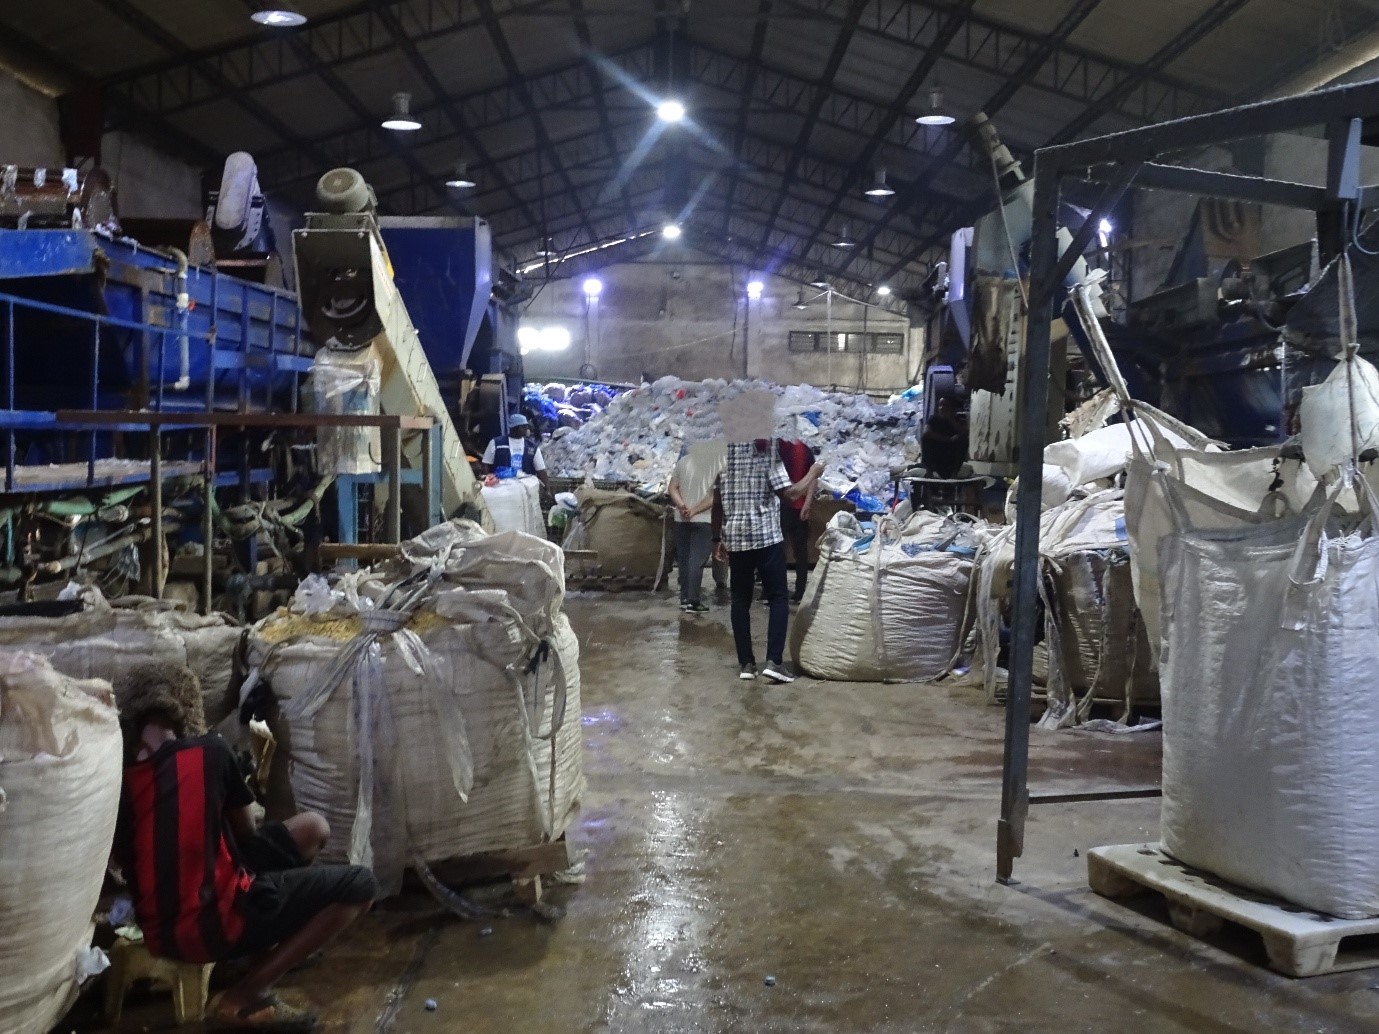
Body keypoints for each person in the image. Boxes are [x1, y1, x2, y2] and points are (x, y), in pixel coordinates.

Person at [112, 662, 377, 1032]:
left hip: (156, 927)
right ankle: (247, 993)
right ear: (187, 707)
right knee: (359, 886)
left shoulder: (119, 776)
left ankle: (253, 957)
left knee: (312, 829)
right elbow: (247, 830)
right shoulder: (210, 753)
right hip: (210, 924)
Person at [712, 439, 823, 683]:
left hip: (737, 539)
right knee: (778, 597)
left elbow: (717, 503)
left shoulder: (724, 456)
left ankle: (746, 664)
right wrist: (813, 473)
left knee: (740, 600)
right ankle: (774, 661)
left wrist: (716, 538)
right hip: (766, 538)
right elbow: (790, 493)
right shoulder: (768, 452)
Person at [668, 439, 727, 613]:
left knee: (685, 560)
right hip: (704, 520)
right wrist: (694, 510)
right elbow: (715, 497)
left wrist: (682, 507)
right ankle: (693, 601)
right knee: (697, 561)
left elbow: (672, 488)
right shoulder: (717, 465)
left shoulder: (683, 462)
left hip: (681, 519)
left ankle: (684, 597)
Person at [776, 438, 818, 603]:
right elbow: (812, 478)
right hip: (798, 507)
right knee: (800, 552)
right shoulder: (805, 449)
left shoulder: (778, 449)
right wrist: (807, 503)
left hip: (782, 507)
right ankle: (800, 591)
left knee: (779, 551)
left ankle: (775, 589)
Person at [482, 414, 550, 492]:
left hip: (525, 488)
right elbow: (486, 464)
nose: (526, 429)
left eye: (526, 426)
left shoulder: (532, 447)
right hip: (500, 487)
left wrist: (547, 488)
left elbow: (541, 470)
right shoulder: (496, 443)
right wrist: (488, 483)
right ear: (514, 427)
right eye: (523, 427)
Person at [921, 396, 968, 479]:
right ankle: (929, 471)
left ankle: (954, 473)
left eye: (945, 405)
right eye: (940, 405)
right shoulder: (933, 419)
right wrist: (948, 440)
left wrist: (950, 420)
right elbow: (926, 433)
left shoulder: (959, 419)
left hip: (950, 457)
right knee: (925, 438)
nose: (942, 408)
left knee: (963, 440)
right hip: (936, 455)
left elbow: (964, 434)